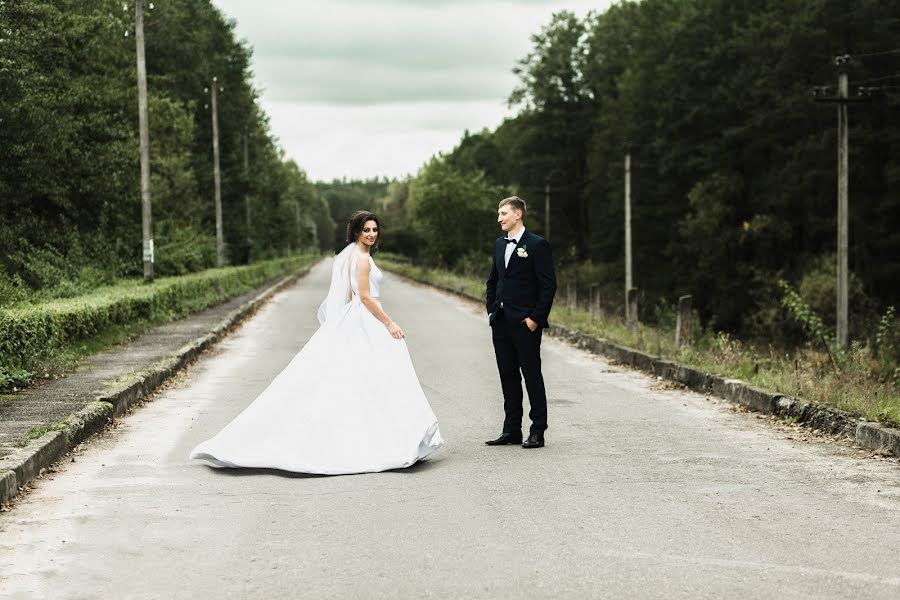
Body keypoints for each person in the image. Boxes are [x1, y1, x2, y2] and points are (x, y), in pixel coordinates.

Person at [190, 211, 443, 474]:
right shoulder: (363, 259)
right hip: (366, 317)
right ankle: (393, 438)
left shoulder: (350, 257)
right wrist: (389, 323)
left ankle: (385, 434)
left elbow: (349, 295)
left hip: (355, 317)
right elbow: (366, 298)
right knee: (382, 373)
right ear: (356, 232)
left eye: (374, 229)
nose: (371, 234)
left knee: (363, 379)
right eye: (366, 230)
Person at [484, 196, 557, 449]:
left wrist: (536, 319)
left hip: (526, 323)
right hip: (501, 321)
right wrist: (491, 311)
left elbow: (548, 285)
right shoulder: (498, 244)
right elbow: (493, 281)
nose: (499, 218)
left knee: (531, 375)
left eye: (503, 213)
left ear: (518, 214)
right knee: (508, 376)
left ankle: (537, 431)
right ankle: (511, 430)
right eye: (499, 213)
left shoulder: (537, 245)